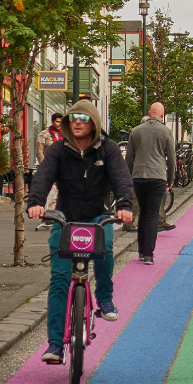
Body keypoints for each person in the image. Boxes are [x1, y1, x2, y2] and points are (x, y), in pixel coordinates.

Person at [27, 100, 134, 363]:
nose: (76, 121)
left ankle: (104, 298)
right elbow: (43, 176)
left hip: (98, 215)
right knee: (60, 280)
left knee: (107, 249)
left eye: (83, 118)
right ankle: (54, 344)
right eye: (73, 117)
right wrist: (36, 203)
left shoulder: (107, 149)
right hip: (65, 218)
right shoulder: (58, 150)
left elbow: (121, 178)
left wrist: (125, 206)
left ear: (94, 124)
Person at [125, 102, 176, 265]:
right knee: (153, 215)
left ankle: (141, 251)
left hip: (139, 176)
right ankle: (148, 254)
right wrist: (170, 179)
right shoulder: (166, 132)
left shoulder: (136, 131)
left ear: (149, 112)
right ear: (162, 114)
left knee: (143, 213)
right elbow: (172, 159)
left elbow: (129, 157)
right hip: (157, 177)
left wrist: (129, 177)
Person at [33, 113, 66, 229]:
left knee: (59, 194)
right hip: (49, 169)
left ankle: (56, 217)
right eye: (57, 122)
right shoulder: (44, 135)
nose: (59, 124)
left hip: (63, 169)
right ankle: (48, 217)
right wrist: (45, 166)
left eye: (61, 122)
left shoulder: (66, 134)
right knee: (50, 194)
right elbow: (39, 152)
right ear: (52, 122)